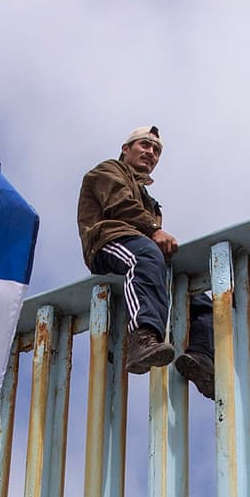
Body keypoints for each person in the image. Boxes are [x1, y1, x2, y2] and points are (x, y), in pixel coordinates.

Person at [76, 126, 215, 398]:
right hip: (108, 241)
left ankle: (201, 358)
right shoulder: (106, 171)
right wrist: (154, 229)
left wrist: (152, 233)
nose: (151, 153)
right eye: (145, 145)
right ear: (126, 149)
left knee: (196, 297)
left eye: (156, 151)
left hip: (140, 245)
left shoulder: (149, 198)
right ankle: (142, 338)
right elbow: (119, 205)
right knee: (145, 256)